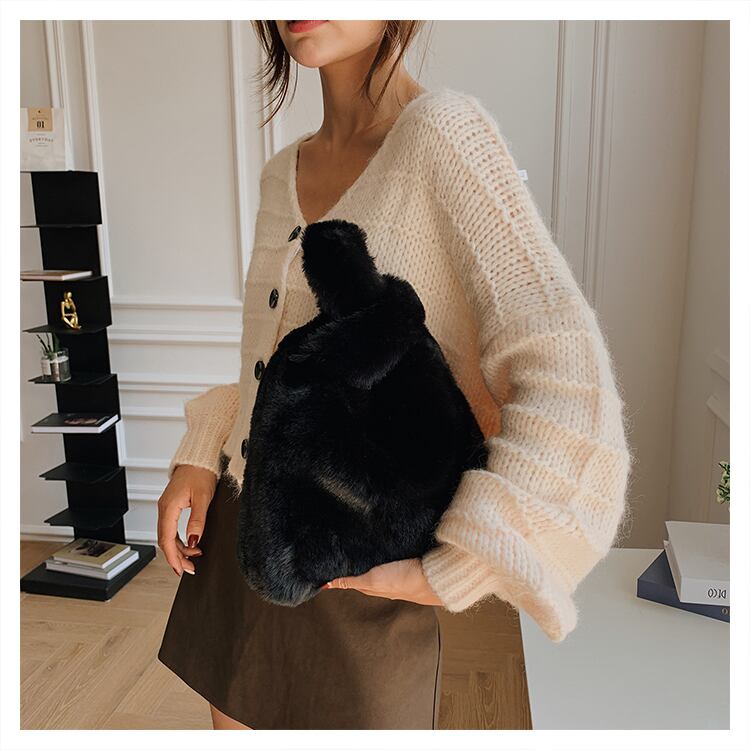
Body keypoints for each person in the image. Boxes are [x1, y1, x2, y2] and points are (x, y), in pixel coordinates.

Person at [156, 20, 633, 730]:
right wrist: (201, 452)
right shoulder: (281, 171)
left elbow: (571, 384)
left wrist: (461, 565)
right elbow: (282, 378)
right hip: (239, 543)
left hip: (356, 573)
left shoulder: (445, 136)